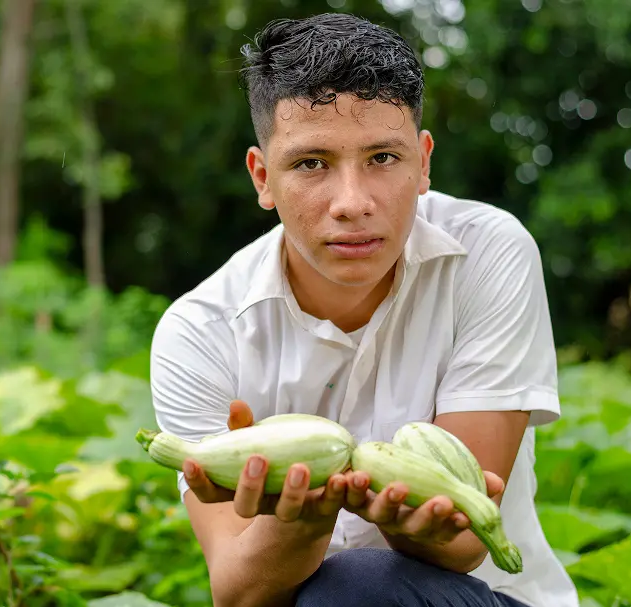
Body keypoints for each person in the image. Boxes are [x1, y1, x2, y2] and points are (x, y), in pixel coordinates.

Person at [148, 12, 579, 607]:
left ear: (423, 162)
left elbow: (466, 545)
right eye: (311, 163)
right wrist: (300, 518)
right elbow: (240, 594)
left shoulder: (488, 252)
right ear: (262, 176)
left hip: (488, 597)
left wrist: (403, 517)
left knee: (357, 587)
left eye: (382, 158)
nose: (352, 203)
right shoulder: (198, 333)